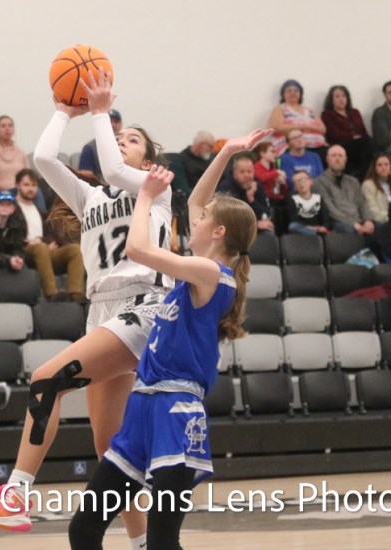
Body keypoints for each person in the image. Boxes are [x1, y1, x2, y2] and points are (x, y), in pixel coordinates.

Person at [0, 69, 174, 548]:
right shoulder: (90, 196)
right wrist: (62, 112)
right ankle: (143, 544)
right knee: (110, 448)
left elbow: (114, 169)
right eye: (119, 136)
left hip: (144, 306)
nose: (121, 140)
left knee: (45, 380)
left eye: (132, 139)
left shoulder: (155, 187)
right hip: (102, 312)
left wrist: (100, 112)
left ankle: (16, 496)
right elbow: (43, 159)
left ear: (149, 159)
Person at [68, 131, 263, 550]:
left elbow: (138, 248)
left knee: (162, 542)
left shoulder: (211, 274)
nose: (193, 217)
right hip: (141, 407)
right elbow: (199, 199)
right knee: (83, 530)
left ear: (218, 232)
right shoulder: (196, 268)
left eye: (203, 218)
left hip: (175, 411)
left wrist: (145, 197)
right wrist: (227, 152)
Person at [15, 168, 86, 302]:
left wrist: (44, 241)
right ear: (17, 186)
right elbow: (11, 236)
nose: (30, 189)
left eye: (34, 185)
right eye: (26, 185)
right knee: (41, 248)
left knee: (75, 249)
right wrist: (36, 243)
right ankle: (52, 294)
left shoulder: (41, 212)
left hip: (45, 250)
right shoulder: (12, 209)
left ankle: (75, 294)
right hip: (24, 252)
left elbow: (54, 234)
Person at [312, 146, 375, 235]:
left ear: (345, 160)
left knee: (378, 228)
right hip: (337, 221)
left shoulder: (353, 181)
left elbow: (363, 204)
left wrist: (368, 220)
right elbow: (330, 209)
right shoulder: (318, 182)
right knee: (350, 229)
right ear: (327, 159)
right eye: (334, 155)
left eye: (340, 156)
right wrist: (353, 223)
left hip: (358, 220)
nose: (337, 159)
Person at [320, 85, 375, 179]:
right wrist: (353, 137)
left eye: (343, 96)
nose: (341, 99)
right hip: (341, 145)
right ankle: (363, 178)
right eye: (337, 97)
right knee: (367, 143)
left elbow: (363, 131)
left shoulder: (355, 112)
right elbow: (334, 135)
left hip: (358, 145)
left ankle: (364, 177)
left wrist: (358, 137)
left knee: (369, 142)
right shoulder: (327, 114)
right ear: (331, 100)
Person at [268, 79, 327, 159]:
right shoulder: (280, 109)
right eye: (289, 91)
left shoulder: (309, 111)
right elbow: (275, 128)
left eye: (296, 91)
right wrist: (301, 127)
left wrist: (307, 127)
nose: (292, 93)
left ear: (300, 94)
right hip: (293, 147)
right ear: (283, 95)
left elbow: (323, 129)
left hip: (318, 146)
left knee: (333, 153)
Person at [0, 115, 32, 207]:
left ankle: (43, 215)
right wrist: (13, 187)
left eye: (10, 125)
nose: (7, 129)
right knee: (14, 200)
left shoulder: (21, 153)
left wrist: (22, 188)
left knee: (37, 193)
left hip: (20, 191)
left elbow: (28, 175)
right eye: (3, 126)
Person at [216, 154, 274, 233]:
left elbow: (266, 214)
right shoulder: (226, 188)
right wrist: (256, 224)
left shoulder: (257, 186)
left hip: (256, 229)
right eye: (242, 172)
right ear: (235, 174)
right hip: (232, 231)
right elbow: (228, 219)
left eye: (249, 171)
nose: (246, 175)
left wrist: (252, 200)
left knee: (269, 232)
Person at [361, 153, 391, 225]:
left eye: (386, 164)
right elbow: (373, 212)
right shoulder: (367, 186)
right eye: (379, 165)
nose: (383, 168)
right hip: (381, 224)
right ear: (374, 168)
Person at [78, 109, 122, 181]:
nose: (113, 125)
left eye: (116, 122)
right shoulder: (89, 148)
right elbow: (85, 179)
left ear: (121, 125)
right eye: (109, 121)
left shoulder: (126, 146)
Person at [169, 130, 215, 196]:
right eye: (210, 146)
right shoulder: (179, 161)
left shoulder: (208, 161)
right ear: (201, 144)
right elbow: (183, 189)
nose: (212, 150)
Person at [287, 170, 331, 235]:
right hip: (304, 229)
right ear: (295, 187)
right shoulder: (293, 199)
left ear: (311, 181)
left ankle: (317, 234)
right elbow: (295, 220)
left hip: (319, 228)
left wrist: (324, 227)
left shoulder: (318, 198)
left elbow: (326, 218)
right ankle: (316, 234)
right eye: (297, 182)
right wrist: (313, 228)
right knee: (293, 226)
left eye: (303, 180)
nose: (301, 183)